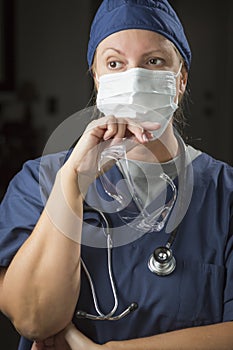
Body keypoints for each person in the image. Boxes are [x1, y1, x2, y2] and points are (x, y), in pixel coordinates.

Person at [0, 0, 233, 349]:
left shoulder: (224, 195)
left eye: (154, 62)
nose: (134, 77)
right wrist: (71, 186)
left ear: (180, 80)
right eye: (115, 63)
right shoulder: (38, 183)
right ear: (97, 79)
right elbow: (34, 319)